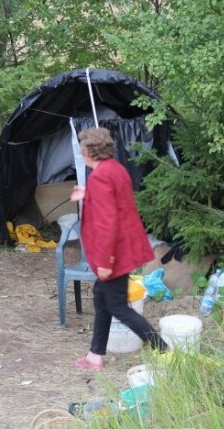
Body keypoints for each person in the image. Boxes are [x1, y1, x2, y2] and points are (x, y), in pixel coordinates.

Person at [70, 128, 167, 371]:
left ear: (89, 151)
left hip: (114, 254)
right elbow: (112, 202)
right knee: (102, 298)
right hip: (123, 249)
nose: (81, 154)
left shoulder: (100, 177)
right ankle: (95, 355)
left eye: (82, 149)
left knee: (118, 307)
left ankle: (163, 349)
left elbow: (106, 223)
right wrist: (87, 194)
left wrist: (105, 261)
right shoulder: (114, 168)